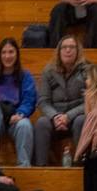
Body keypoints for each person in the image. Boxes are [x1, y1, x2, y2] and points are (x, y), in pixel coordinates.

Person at [0, 37, 36, 167]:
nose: (7, 56)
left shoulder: (25, 76)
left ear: (17, 54)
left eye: (11, 52)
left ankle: (24, 165)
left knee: (25, 125)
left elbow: (29, 99)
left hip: (14, 118)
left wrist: (21, 113)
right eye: (4, 52)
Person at [34, 35, 88, 165]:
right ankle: (41, 167)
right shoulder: (49, 71)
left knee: (81, 121)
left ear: (78, 51)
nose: (67, 50)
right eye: (64, 47)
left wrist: (68, 116)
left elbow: (89, 101)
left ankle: (82, 165)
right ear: (59, 51)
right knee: (41, 123)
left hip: (77, 116)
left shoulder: (87, 70)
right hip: (55, 117)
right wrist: (55, 116)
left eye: (71, 47)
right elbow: (43, 100)